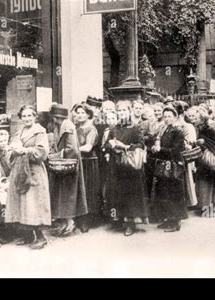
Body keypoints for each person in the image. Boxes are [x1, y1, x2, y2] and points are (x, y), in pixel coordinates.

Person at [5, 105, 51, 249]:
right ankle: (28, 235)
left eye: (29, 115)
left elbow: (42, 153)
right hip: (19, 170)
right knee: (22, 203)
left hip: (33, 171)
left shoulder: (40, 132)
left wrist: (24, 150)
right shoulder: (19, 132)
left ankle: (41, 238)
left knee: (34, 204)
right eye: (24, 116)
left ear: (35, 116)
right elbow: (11, 152)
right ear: (20, 118)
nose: (27, 118)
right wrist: (11, 150)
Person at [104, 100, 150, 236]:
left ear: (129, 112)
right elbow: (106, 145)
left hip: (130, 166)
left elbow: (141, 145)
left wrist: (124, 147)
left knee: (131, 195)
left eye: (124, 110)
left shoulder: (135, 128)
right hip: (116, 165)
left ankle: (130, 223)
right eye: (120, 110)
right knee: (118, 193)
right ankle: (119, 220)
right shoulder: (114, 128)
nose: (122, 113)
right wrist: (110, 145)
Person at [48, 104, 88, 236]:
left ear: (56, 117)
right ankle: (64, 222)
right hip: (62, 166)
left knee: (69, 195)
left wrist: (57, 155)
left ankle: (70, 222)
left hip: (69, 166)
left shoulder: (68, 128)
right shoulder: (59, 127)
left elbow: (73, 150)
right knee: (63, 195)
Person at [151, 107, 188, 232]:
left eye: (169, 116)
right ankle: (168, 219)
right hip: (165, 165)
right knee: (165, 192)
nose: (167, 118)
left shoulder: (178, 131)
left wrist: (160, 149)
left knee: (174, 193)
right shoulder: (165, 130)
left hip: (174, 165)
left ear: (175, 117)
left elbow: (176, 150)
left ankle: (175, 221)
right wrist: (156, 149)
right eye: (165, 116)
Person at [189, 106, 215, 217]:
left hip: (211, 160)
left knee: (210, 184)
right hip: (204, 161)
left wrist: (203, 142)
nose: (193, 119)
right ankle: (206, 208)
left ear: (202, 119)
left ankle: (211, 209)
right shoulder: (199, 128)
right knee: (204, 184)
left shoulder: (210, 128)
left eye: (196, 118)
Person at [74, 103, 101, 232]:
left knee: (88, 191)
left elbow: (88, 147)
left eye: (82, 113)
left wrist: (72, 150)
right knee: (79, 190)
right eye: (78, 113)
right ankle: (79, 218)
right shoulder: (76, 128)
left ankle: (87, 221)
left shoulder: (91, 129)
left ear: (88, 114)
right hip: (79, 161)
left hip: (89, 162)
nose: (80, 115)